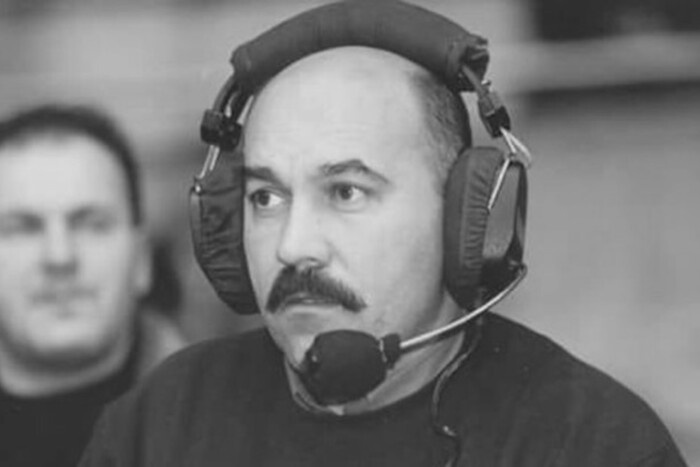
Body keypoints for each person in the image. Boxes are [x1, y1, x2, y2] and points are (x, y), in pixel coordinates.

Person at [79, 1, 687, 466]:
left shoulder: (593, 443)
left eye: (346, 192)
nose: (292, 245)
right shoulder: (160, 423)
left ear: (465, 219)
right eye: (266, 198)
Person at [0, 104, 186, 467]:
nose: (60, 256)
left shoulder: (230, 432)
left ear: (142, 260)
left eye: (92, 224)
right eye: (23, 228)